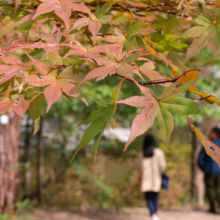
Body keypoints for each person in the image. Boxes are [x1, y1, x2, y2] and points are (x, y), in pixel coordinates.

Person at [139, 135, 166, 220]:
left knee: (148, 197)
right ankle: (154, 214)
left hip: (145, 178)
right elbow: (163, 166)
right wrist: (163, 173)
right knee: (155, 196)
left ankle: (153, 214)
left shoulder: (142, 153)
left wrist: (139, 178)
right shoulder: (158, 152)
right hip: (156, 177)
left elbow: (139, 167)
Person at [198, 127, 220, 214]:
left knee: (210, 189)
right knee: (218, 188)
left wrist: (202, 167)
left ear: (215, 133)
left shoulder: (207, 143)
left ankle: (212, 208)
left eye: (211, 132)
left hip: (209, 170)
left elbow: (200, 158)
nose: (210, 134)